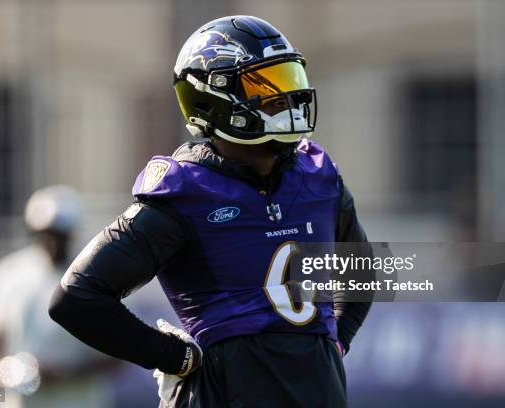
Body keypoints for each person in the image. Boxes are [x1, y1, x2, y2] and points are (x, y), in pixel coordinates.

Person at [49, 16, 373, 407]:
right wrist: (173, 356)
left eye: (290, 82)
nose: (288, 101)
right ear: (214, 98)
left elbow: (362, 271)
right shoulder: (187, 190)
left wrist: (334, 340)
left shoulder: (318, 175)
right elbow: (77, 297)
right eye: (267, 87)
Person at [0, 185, 117, 408]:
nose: (52, 243)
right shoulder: (7, 273)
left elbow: (118, 353)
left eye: (59, 235)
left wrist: (65, 374)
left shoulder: (97, 276)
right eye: (46, 234)